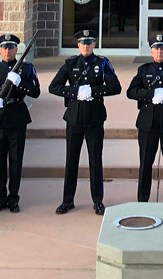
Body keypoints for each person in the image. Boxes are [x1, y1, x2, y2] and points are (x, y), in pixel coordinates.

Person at [49, 29, 121, 215]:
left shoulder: (102, 63)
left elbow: (116, 87)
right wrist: (75, 92)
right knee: (71, 160)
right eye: (83, 42)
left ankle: (98, 201)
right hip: (74, 118)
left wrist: (93, 91)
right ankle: (67, 200)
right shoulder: (70, 63)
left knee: (95, 160)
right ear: (78, 45)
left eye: (89, 42)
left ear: (94, 44)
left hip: (95, 118)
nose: (86, 46)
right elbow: (54, 87)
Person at [0, 32, 41, 214]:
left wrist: (20, 83)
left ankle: (13, 199)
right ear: (0, 50)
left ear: (16, 50)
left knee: (16, 161)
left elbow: (35, 92)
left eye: (10, 47)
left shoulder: (26, 69)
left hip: (17, 118)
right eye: (4, 47)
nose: (7, 51)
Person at [126, 32, 163, 203]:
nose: (159, 52)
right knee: (145, 164)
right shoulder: (143, 70)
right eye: (156, 49)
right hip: (148, 124)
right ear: (151, 52)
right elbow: (131, 92)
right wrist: (151, 94)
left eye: (162, 49)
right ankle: (143, 200)